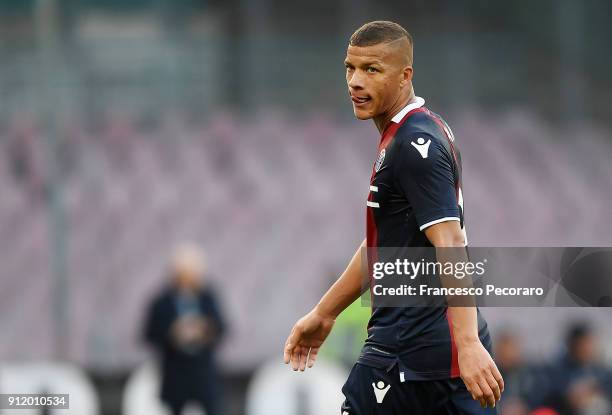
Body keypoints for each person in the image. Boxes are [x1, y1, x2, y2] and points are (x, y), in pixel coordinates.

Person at [283, 21, 504, 414]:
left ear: (405, 76)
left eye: (371, 69)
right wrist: (324, 312)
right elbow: (383, 246)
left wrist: (467, 344)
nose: (354, 81)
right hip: (426, 351)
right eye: (350, 68)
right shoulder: (422, 130)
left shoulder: (412, 146)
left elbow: (451, 242)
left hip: (409, 352)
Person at [144, 243, 225, 415]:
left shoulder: (208, 299)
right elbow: (149, 333)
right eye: (185, 273)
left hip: (203, 374)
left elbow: (222, 328)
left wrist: (205, 329)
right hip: (175, 375)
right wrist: (172, 332)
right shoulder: (162, 302)